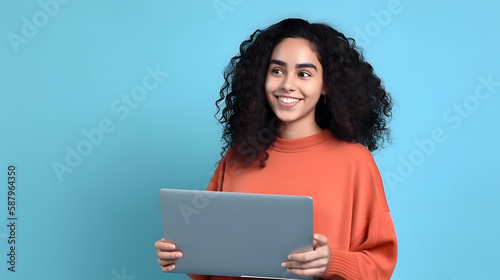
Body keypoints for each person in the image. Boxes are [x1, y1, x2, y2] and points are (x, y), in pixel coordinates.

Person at [155, 18, 397, 280]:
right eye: (277, 71)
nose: (287, 85)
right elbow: (209, 260)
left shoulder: (354, 162)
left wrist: (332, 262)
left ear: (325, 84)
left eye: (304, 74)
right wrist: (182, 254)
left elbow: (379, 267)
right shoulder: (238, 157)